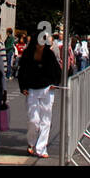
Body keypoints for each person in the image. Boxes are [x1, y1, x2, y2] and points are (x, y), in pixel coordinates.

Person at [19, 28, 62, 159]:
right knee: (34, 120)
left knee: (46, 120)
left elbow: (57, 70)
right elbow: (22, 71)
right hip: (32, 89)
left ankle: (41, 148)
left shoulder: (49, 54)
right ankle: (32, 143)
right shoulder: (28, 54)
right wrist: (23, 87)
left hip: (46, 89)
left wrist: (55, 83)